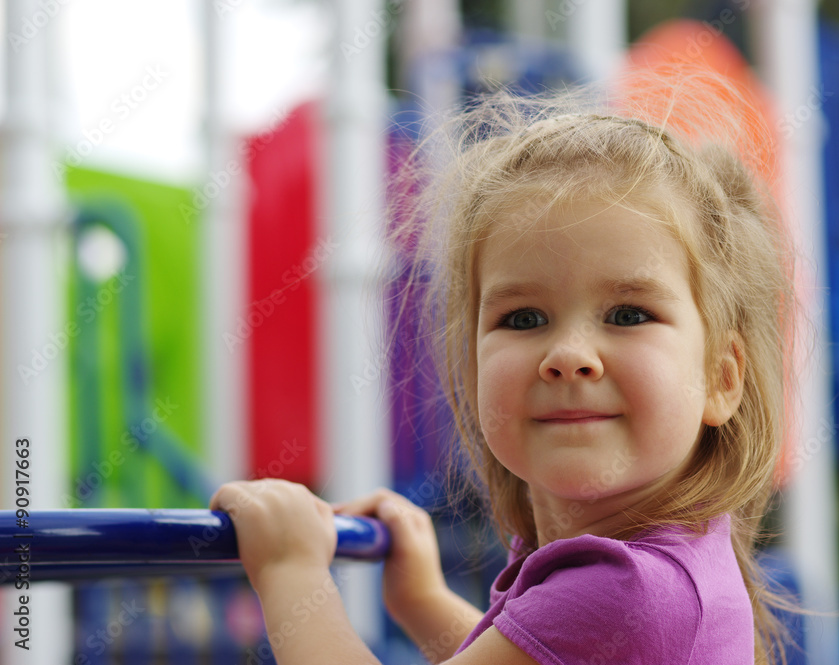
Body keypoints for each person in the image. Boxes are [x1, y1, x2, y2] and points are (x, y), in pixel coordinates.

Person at [210, 87, 798, 665]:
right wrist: (423, 600)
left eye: (627, 315)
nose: (568, 355)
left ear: (722, 378)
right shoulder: (663, 564)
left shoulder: (628, 591)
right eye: (523, 318)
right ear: (471, 365)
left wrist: (290, 573)